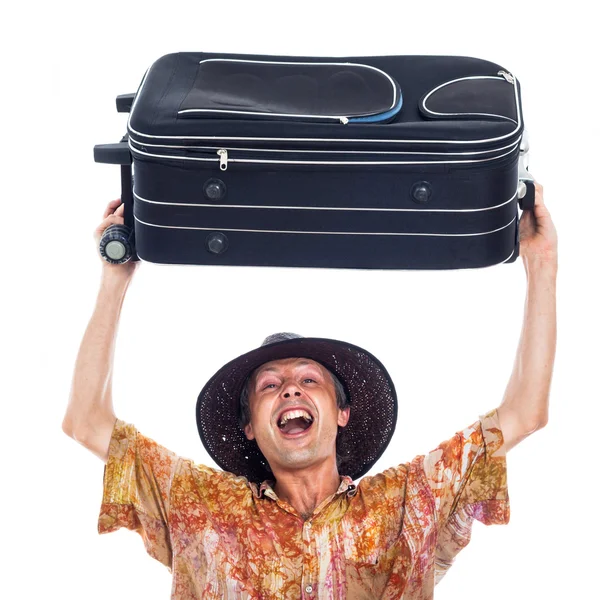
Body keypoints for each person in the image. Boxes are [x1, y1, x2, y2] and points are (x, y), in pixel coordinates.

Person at [62, 182, 557, 599]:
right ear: (250, 426)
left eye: (308, 380)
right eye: (270, 386)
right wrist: (114, 278)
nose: (290, 391)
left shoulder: (410, 502)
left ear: (341, 412)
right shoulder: (201, 505)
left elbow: (523, 413)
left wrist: (542, 261)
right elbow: (85, 421)